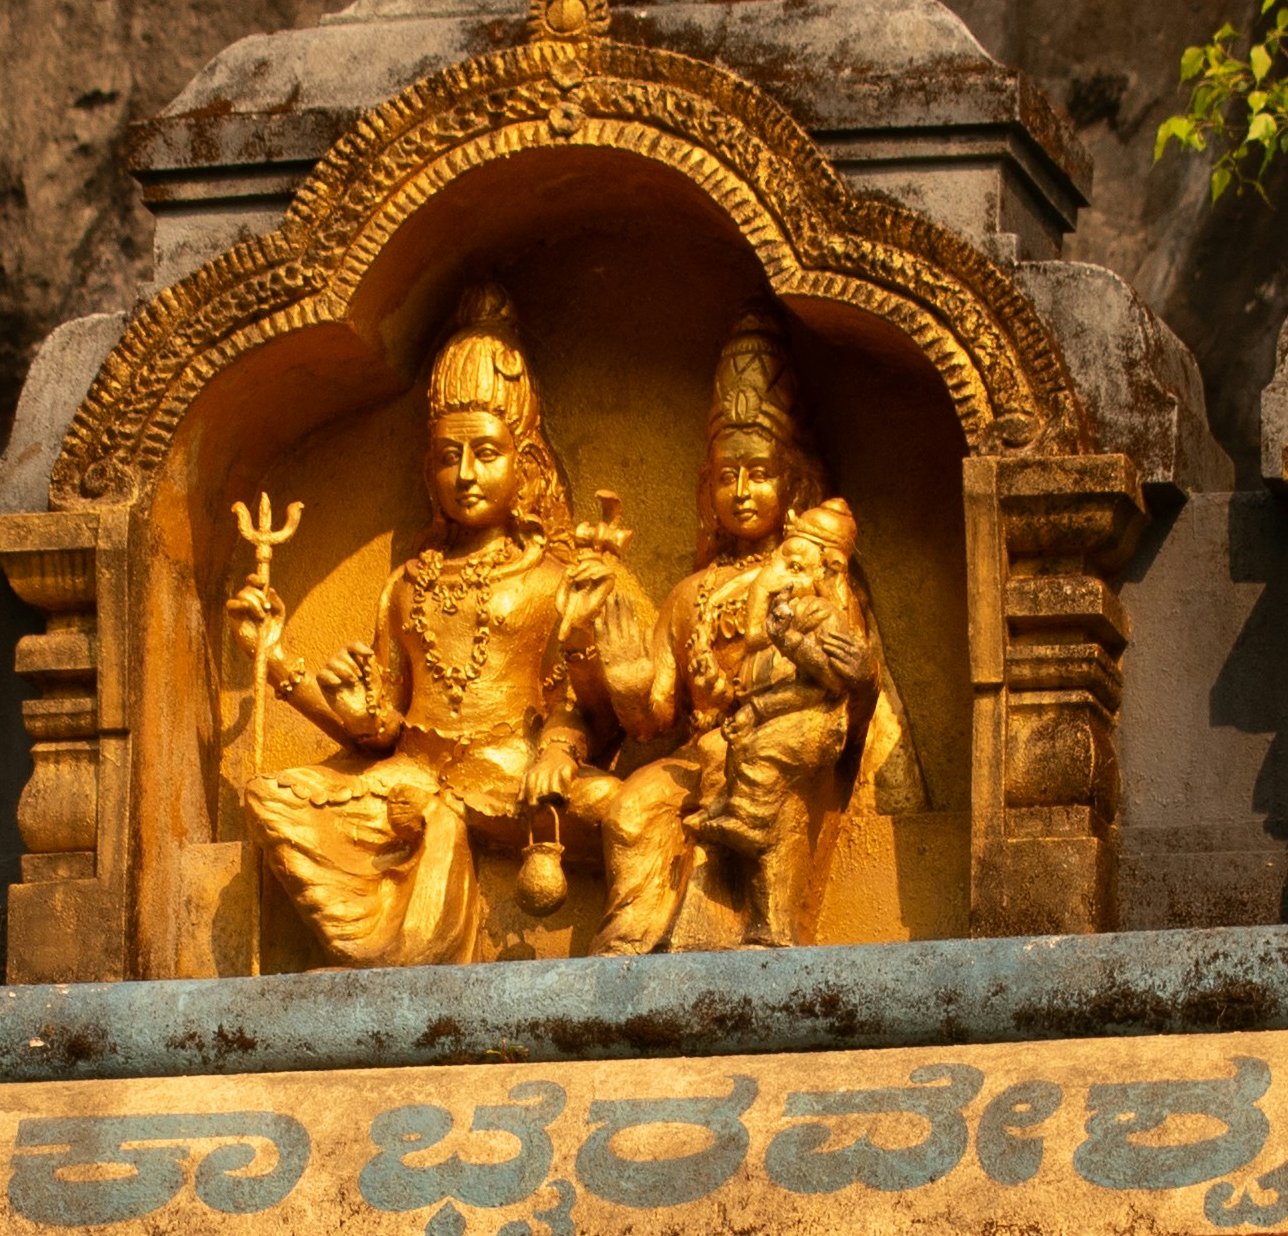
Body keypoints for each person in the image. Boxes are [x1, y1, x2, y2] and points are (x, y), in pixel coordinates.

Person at [227, 281, 648, 965]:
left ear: (526, 463)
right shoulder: (406, 586)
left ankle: (627, 973)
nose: (466, 474)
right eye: (449, 456)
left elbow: (582, 709)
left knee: (644, 815)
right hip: (415, 781)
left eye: (486, 453)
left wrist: (559, 750)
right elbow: (379, 724)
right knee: (273, 796)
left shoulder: (554, 580)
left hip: (522, 787)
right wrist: (278, 660)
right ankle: (394, 944)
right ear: (430, 467)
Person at [581, 314, 908, 951]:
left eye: (758, 472)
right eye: (727, 475)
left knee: (746, 786)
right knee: (628, 811)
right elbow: (655, 719)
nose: (741, 491)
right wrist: (627, 682)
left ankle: (743, 943)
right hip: (701, 747)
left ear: (792, 480)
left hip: (778, 743)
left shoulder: (813, 572)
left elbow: (852, 676)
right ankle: (621, 959)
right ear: (707, 486)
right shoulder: (688, 593)